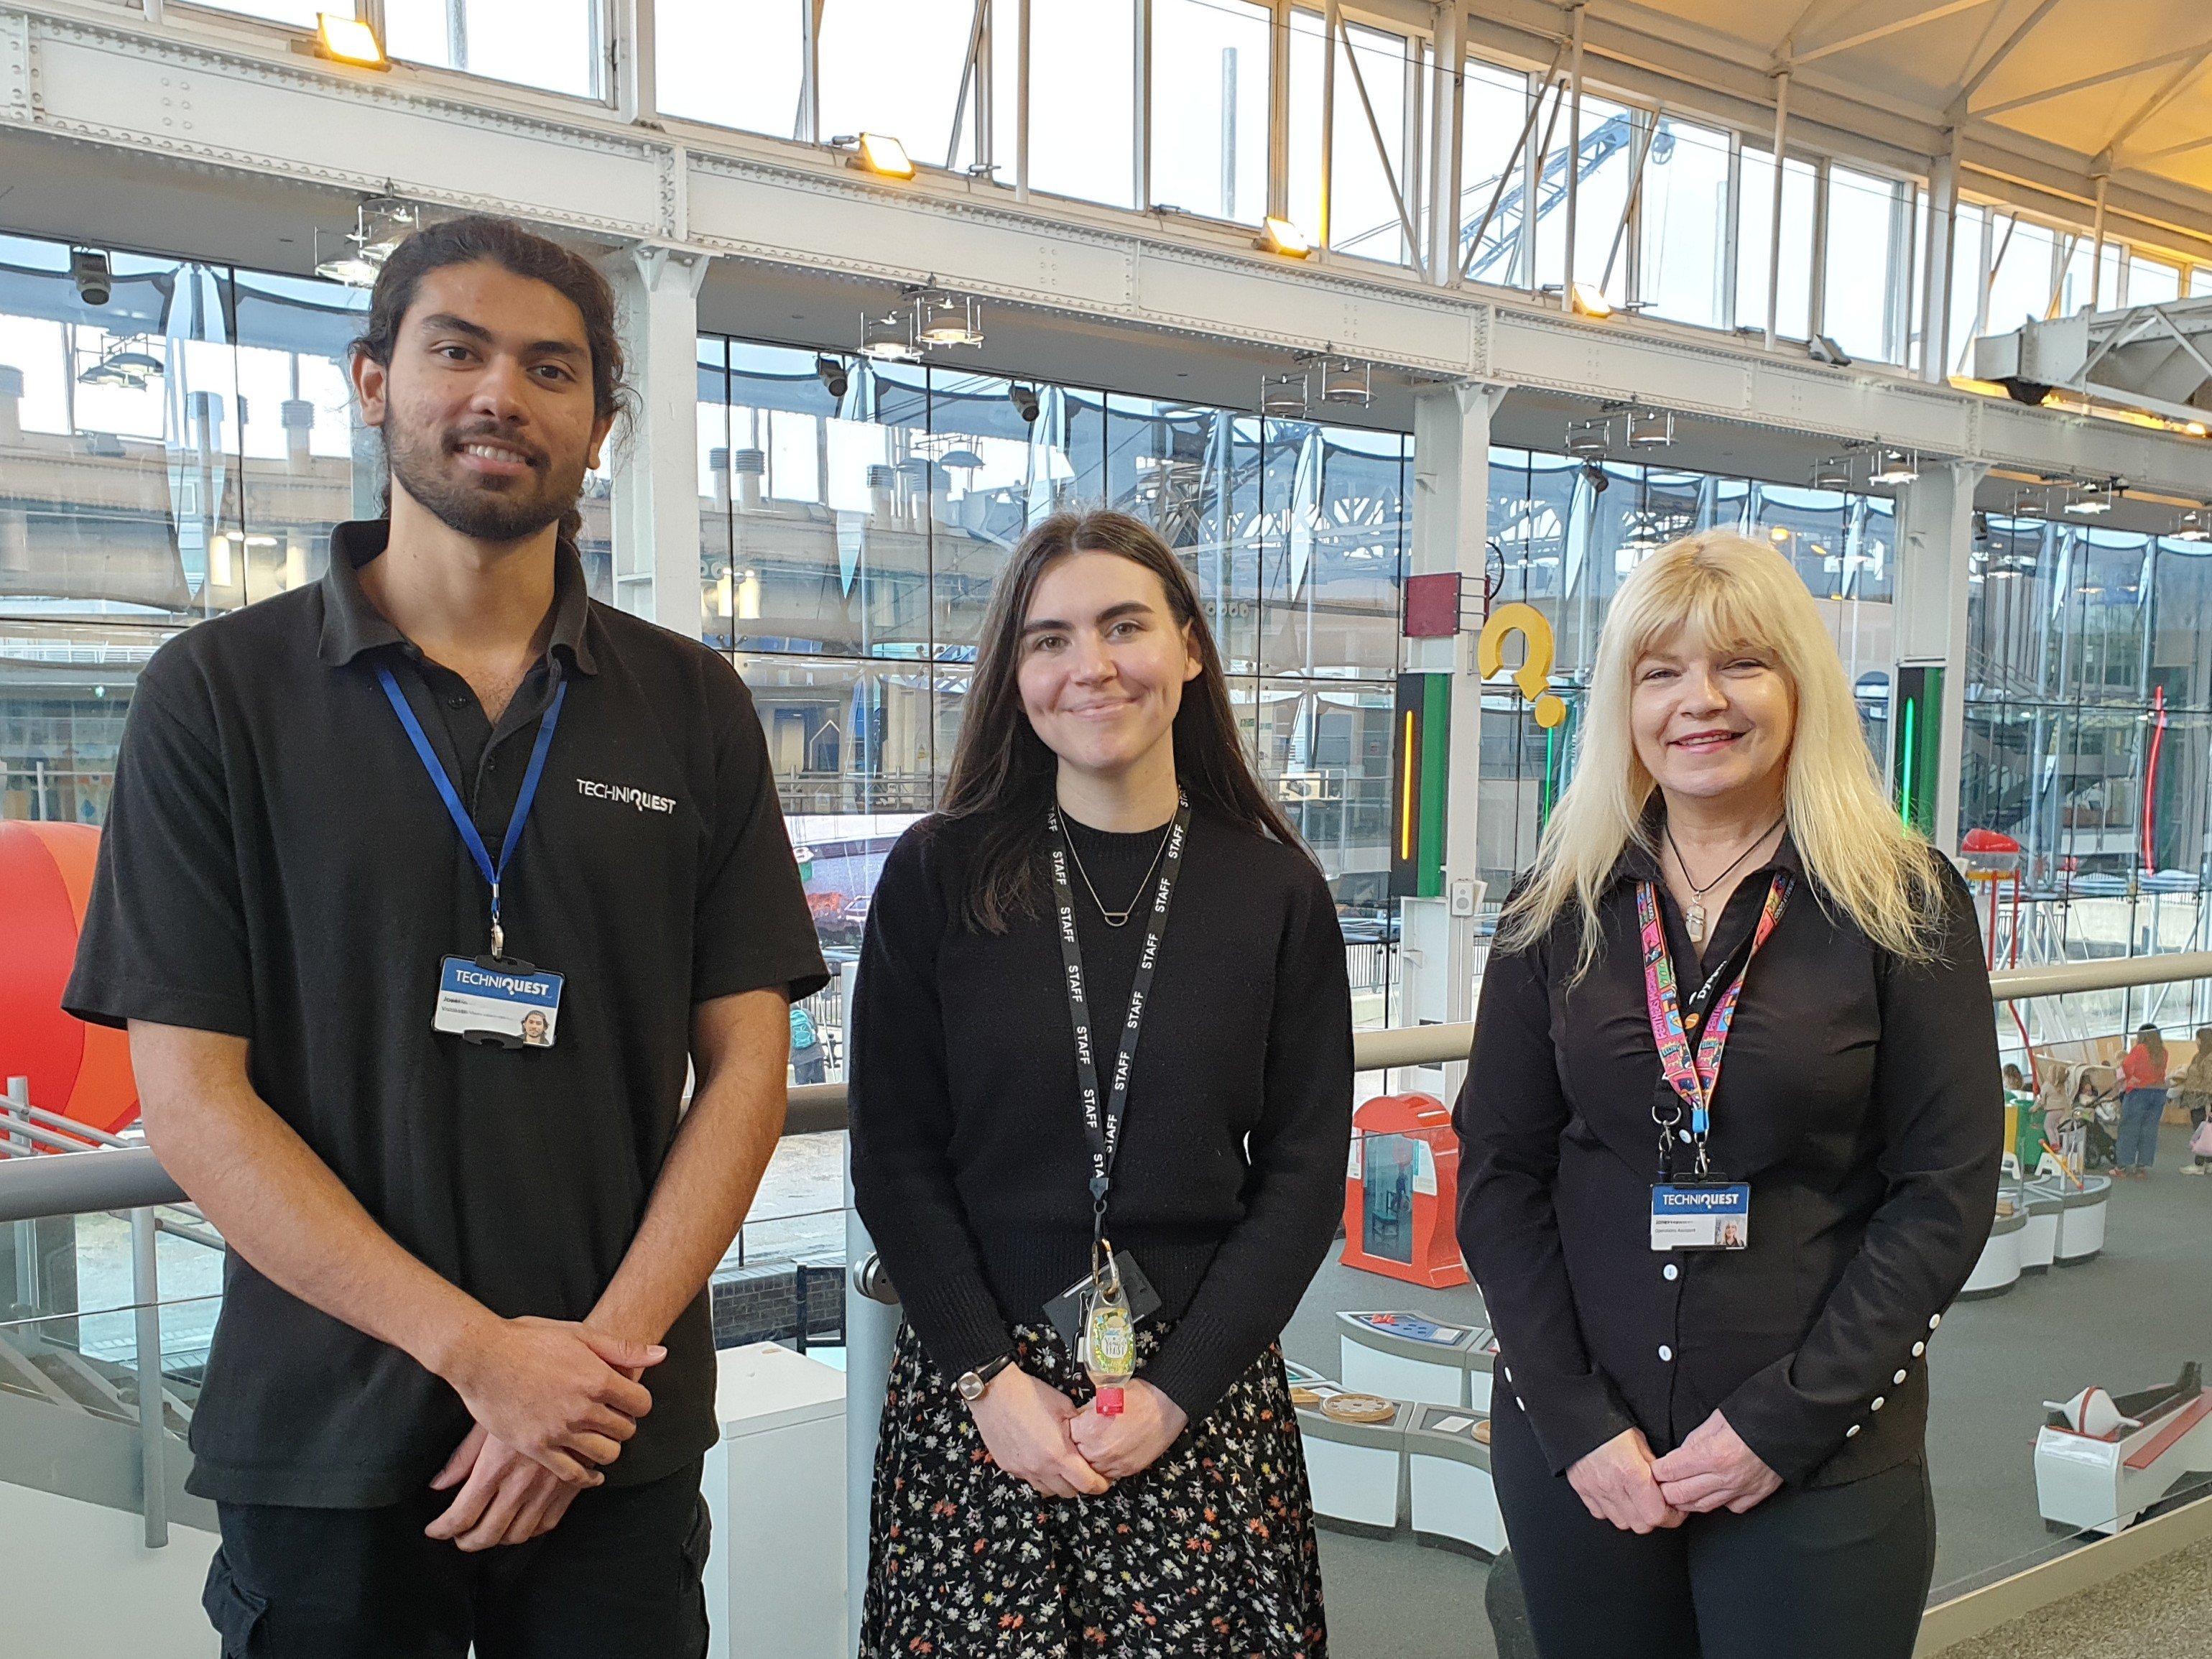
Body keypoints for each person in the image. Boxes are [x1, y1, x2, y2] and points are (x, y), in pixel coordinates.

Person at [64, 216, 827, 1658]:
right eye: (455, 349)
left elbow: (745, 1068)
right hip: (329, 1430)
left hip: (613, 1425)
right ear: (372, 380)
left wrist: (582, 1376)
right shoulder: (218, 695)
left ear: (600, 425)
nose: (499, 394)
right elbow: (193, 1094)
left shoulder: (690, 704)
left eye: (551, 368)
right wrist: (484, 1357)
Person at [1456, 531, 2002, 1659]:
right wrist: (1570, 1421)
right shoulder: (1555, 900)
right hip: (1585, 1452)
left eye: (1739, 664)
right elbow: (1500, 1171)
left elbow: (1941, 1191)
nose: (1697, 701)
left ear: (1797, 684)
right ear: (1623, 702)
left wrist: (1781, 1421)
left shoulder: (1901, 898)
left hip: (1818, 1455)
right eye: (1660, 672)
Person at [848, 509, 1350, 1656]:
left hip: (1199, 1399)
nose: (1091, 667)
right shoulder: (940, 874)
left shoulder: (1275, 893)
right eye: (1049, 639)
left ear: (1188, 648)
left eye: (1124, 626)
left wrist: (1174, 1393)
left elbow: (1302, 1173)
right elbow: (894, 1153)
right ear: (1014, 673)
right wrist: (989, 1380)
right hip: (981, 1407)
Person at [2116, 1025, 2170, 1178]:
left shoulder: (2140, 1049)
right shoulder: (2163, 1052)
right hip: (2158, 1092)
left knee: (2129, 1129)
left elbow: (2126, 1065)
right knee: (2149, 1130)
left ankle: (2123, 1167)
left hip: (2139, 1091)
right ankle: (2141, 1168)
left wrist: (2131, 1076)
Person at [2180, 1028, 2212, 1175]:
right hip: (2196, 1098)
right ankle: (2209, 1163)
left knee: (2201, 1131)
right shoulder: (2200, 1056)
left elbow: (2209, 1081)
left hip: (2203, 1099)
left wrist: (2208, 1103)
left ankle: (2199, 1164)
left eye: (2198, 1038)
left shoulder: (2209, 1058)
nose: (2196, 1041)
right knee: (2206, 1130)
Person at [789, 998, 826, 1085]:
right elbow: (816, 1029)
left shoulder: (785, 1019)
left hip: (800, 1060)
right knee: (820, 1088)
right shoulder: (807, 1013)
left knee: (802, 1091)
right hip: (816, 1055)